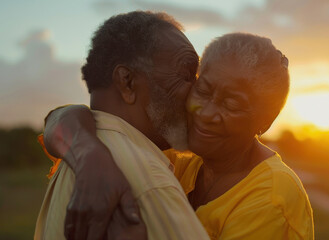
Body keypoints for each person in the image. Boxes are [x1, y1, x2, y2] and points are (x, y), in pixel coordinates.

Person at [42, 34, 314, 239]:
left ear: (264, 123)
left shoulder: (271, 197)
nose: (206, 113)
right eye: (203, 91)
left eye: (231, 105)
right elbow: (60, 119)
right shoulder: (184, 163)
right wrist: (89, 154)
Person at [34, 11, 210, 240]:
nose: (198, 96)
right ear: (127, 82)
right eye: (186, 75)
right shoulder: (149, 182)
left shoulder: (83, 153)